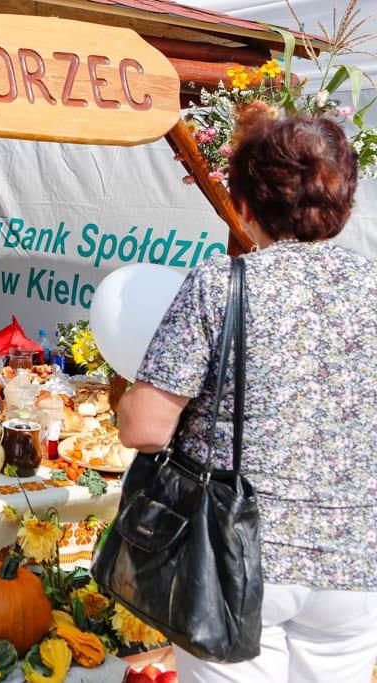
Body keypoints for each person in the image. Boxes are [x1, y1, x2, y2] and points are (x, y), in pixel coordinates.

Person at [118, 114, 377, 683]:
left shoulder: (223, 283)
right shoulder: (371, 288)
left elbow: (145, 429)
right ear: (343, 201)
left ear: (243, 204)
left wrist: (129, 397)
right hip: (356, 562)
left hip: (236, 556)